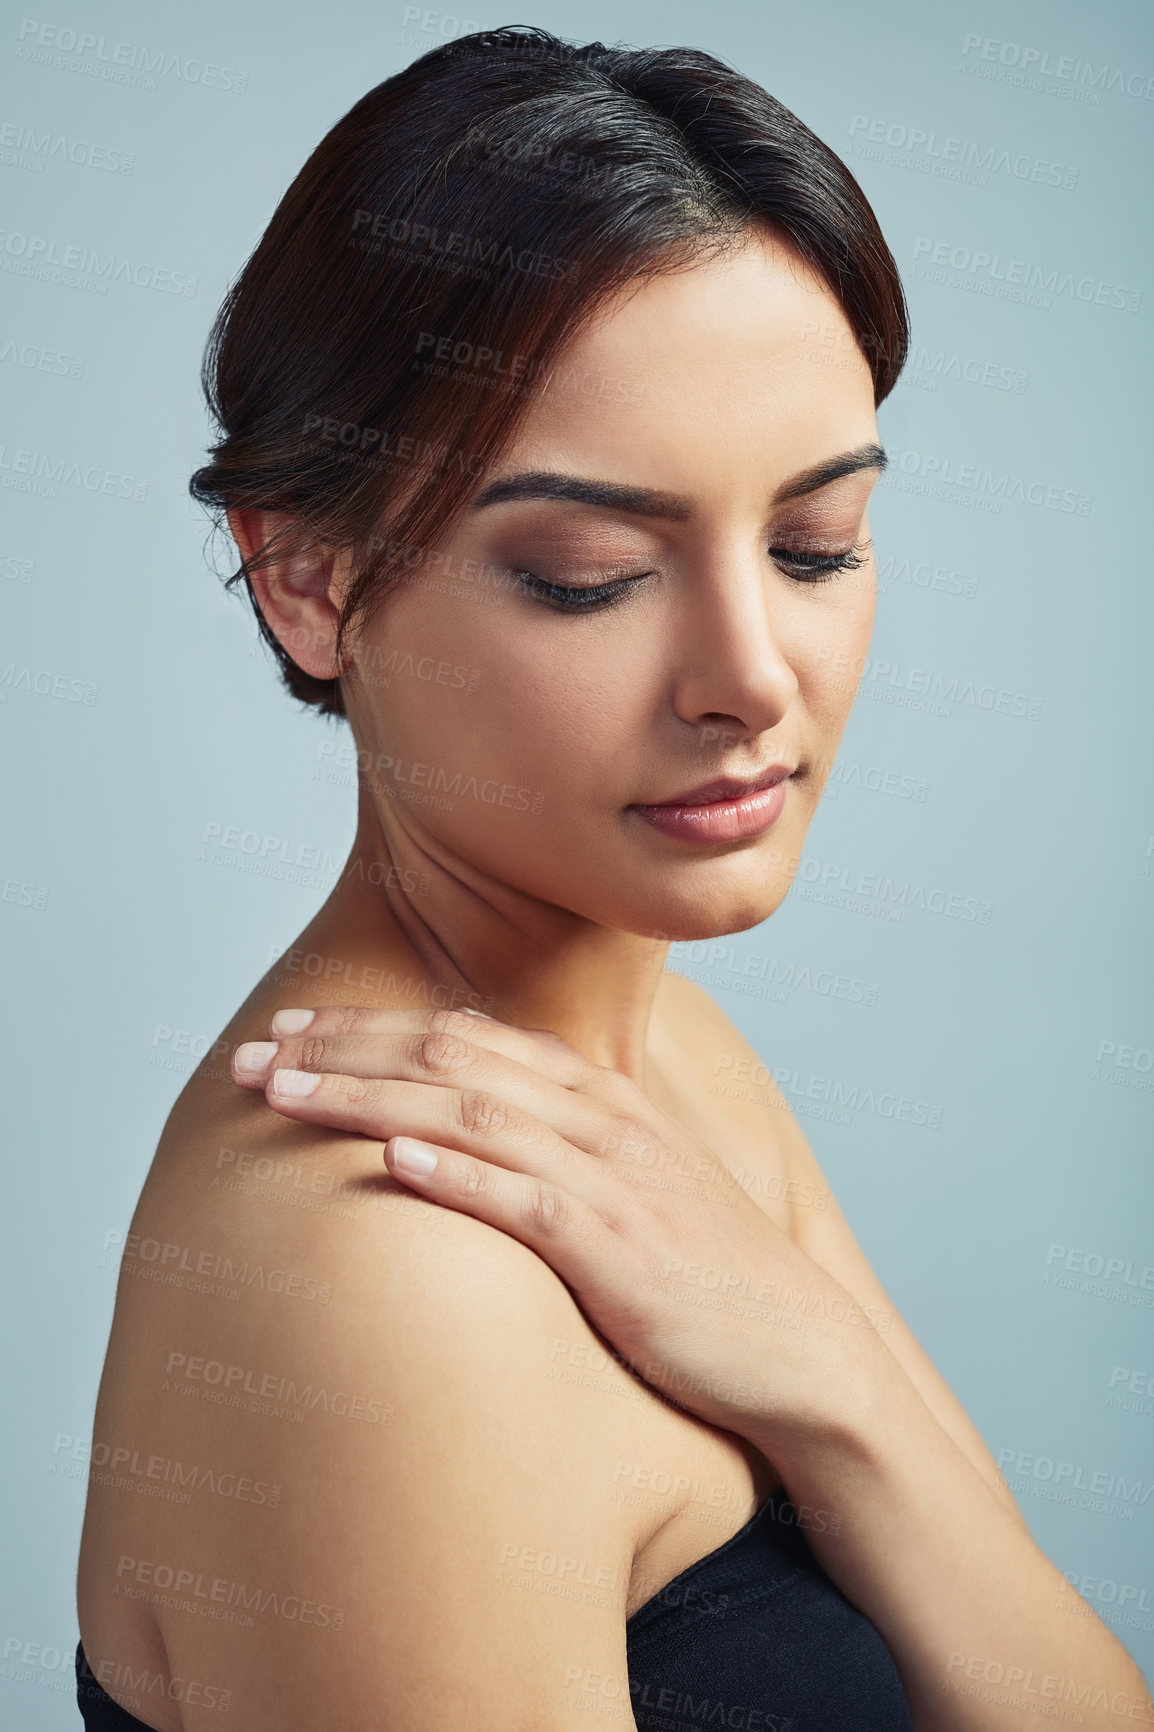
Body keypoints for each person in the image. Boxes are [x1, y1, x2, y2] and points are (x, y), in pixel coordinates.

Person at [75, 25, 1151, 1731]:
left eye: (816, 544)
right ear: (305, 583)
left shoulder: (656, 1080)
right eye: (589, 574)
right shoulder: (394, 1282)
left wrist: (829, 1390)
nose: (751, 674)